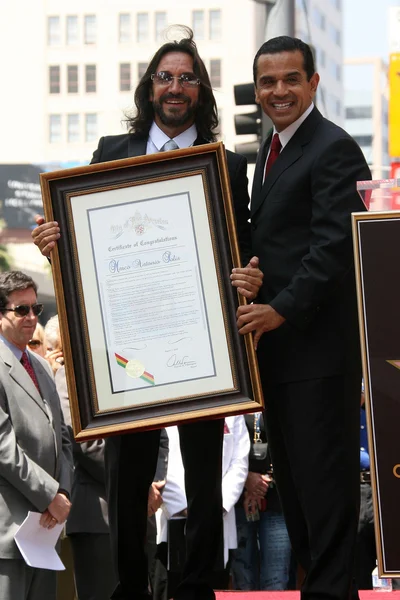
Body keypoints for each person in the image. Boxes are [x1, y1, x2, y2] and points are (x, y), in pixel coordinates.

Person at [31, 27, 262, 600]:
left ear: (201, 91)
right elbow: (81, 235)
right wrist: (54, 237)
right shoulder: (112, 153)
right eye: (165, 76)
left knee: (204, 470)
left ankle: (197, 586)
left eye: (187, 77)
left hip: (200, 342)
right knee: (127, 473)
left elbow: (241, 245)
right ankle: (130, 588)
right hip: (126, 343)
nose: (175, 87)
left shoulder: (227, 167)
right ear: (149, 88)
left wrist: (249, 278)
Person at [236, 36, 372, 600]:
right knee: (299, 502)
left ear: (314, 83)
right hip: (282, 361)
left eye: (291, 79)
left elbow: (333, 248)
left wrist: (279, 309)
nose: (278, 91)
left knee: (326, 502)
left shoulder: (333, 148)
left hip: (318, 356)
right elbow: (279, 245)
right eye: (267, 82)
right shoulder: (271, 151)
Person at [0, 270, 73, 600]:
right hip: (9, 531)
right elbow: (4, 450)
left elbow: (64, 437)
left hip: (45, 531)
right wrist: (50, 497)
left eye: (35, 309)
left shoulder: (41, 366)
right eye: (21, 310)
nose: (31, 317)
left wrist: (63, 494)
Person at [153, 415, 249, 600]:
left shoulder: (232, 409)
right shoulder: (164, 400)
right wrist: (186, 505)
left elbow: (239, 459)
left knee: (213, 584)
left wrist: (212, 504)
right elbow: (162, 459)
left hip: (216, 517)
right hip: (173, 516)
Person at [231, 412, 292, 591]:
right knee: (243, 575)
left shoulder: (277, 397)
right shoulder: (236, 402)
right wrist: (246, 479)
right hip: (238, 499)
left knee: (276, 578)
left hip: (277, 499)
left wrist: (262, 482)